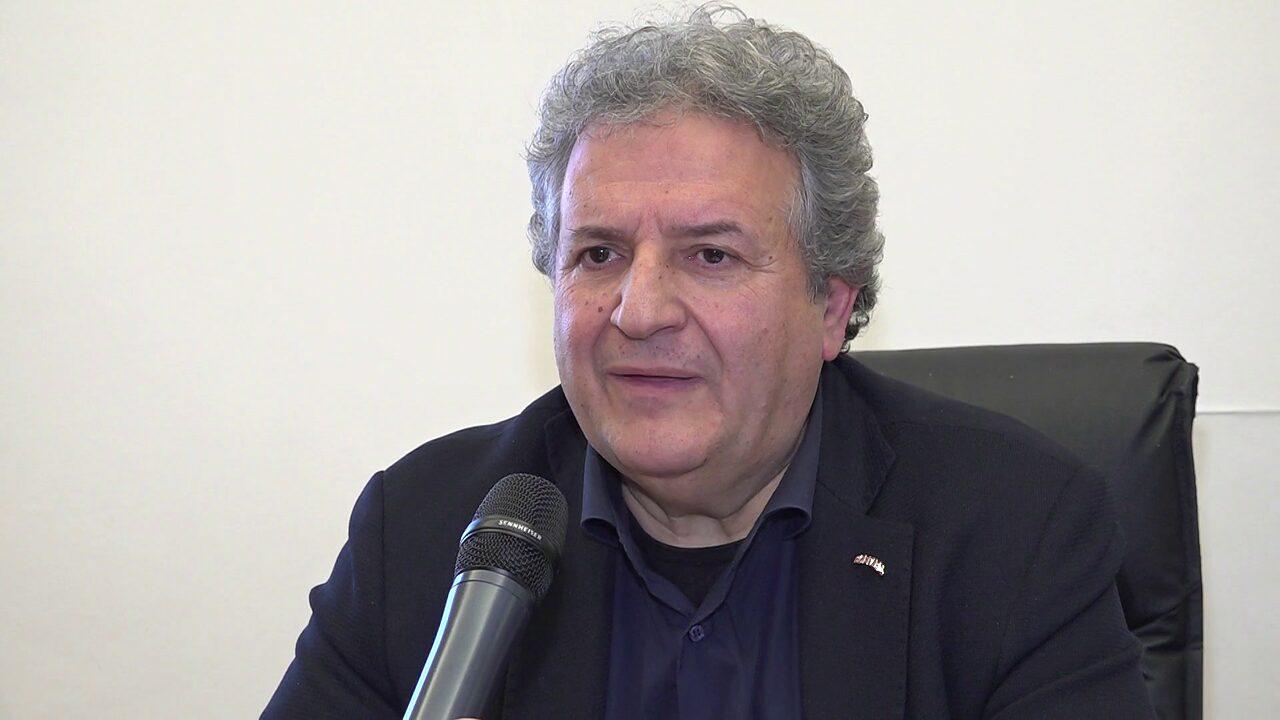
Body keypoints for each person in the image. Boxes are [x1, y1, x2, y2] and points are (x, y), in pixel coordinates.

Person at [263, 5, 1156, 718]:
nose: (639, 311)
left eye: (711, 255)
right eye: (599, 253)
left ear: (831, 306)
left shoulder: (1016, 532)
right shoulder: (427, 530)